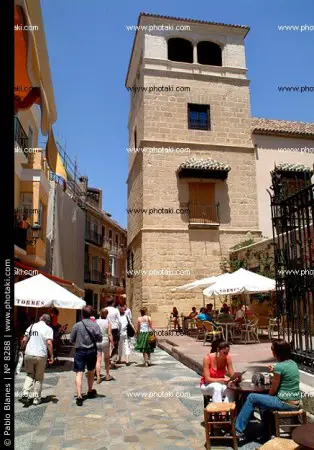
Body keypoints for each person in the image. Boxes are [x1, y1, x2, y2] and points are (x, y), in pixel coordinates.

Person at [235, 340, 302, 441]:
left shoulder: (279, 367)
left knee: (252, 397)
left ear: (276, 353)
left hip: (285, 403)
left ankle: (238, 431)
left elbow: (273, 391)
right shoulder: (293, 363)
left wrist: (274, 374)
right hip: (295, 402)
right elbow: (284, 376)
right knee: (263, 403)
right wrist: (275, 372)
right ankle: (266, 433)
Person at [70, 305, 102, 406]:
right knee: (91, 371)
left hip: (80, 351)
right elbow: (100, 338)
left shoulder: (77, 325)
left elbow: (71, 339)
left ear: (82, 314)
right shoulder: (95, 325)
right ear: (91, 314)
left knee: (79, 373)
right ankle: (90, 390)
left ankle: (79, 396)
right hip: (91, 350)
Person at [20, 314, 54, 406]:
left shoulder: (31, 326)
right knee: (38, 378)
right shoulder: (48, 329)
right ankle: (36, 399)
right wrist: (51, 356)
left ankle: (25, 394)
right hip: (41, 355)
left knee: (30, 375)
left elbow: (24, 340)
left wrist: (22, 348)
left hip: (29, 354)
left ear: (40, 318)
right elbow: (49, 343)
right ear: (48, 322)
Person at [95, 308, 114, 383]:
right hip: (105, 341)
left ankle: (98, 376)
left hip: (97, 341)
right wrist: (112, 342)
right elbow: (109, 334)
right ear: (106, 315)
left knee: (98, 360)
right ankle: (107, 375)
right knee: (106, 359)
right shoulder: (108, 322)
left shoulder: (96, 321)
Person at [105, 298, 121, 367]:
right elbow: (119, 321)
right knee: (115, 345)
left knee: (107, 346)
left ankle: (107, 360)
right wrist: (119, 329)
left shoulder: (104, 310)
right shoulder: (116, 310)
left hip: (106, 329)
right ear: (113, 303)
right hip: (114, 329)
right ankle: (112, 359)